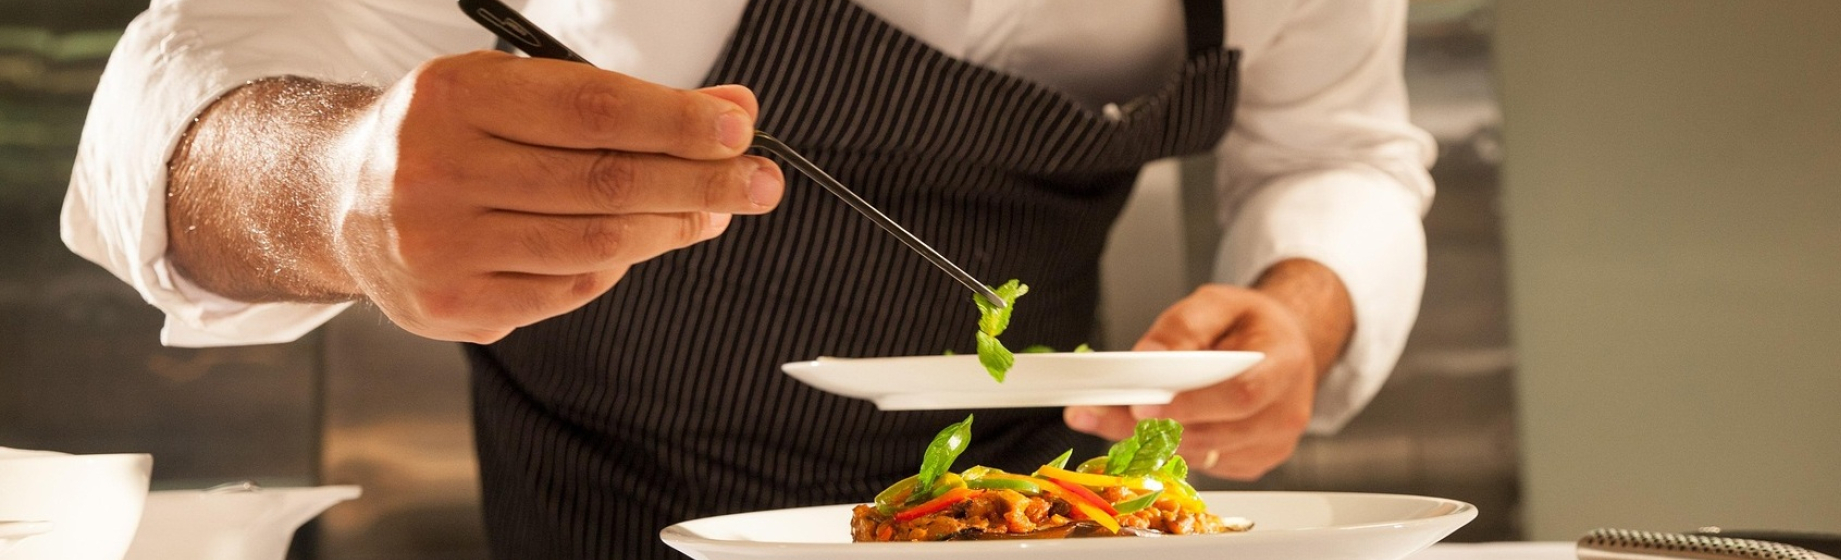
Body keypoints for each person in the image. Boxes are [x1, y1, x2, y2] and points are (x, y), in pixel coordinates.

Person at [63, 0, 1435, 557]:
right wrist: (332, 184)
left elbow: (1345, 149)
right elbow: (160, 100)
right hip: (606, 498)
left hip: (1025, 506)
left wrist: (1302, 309)